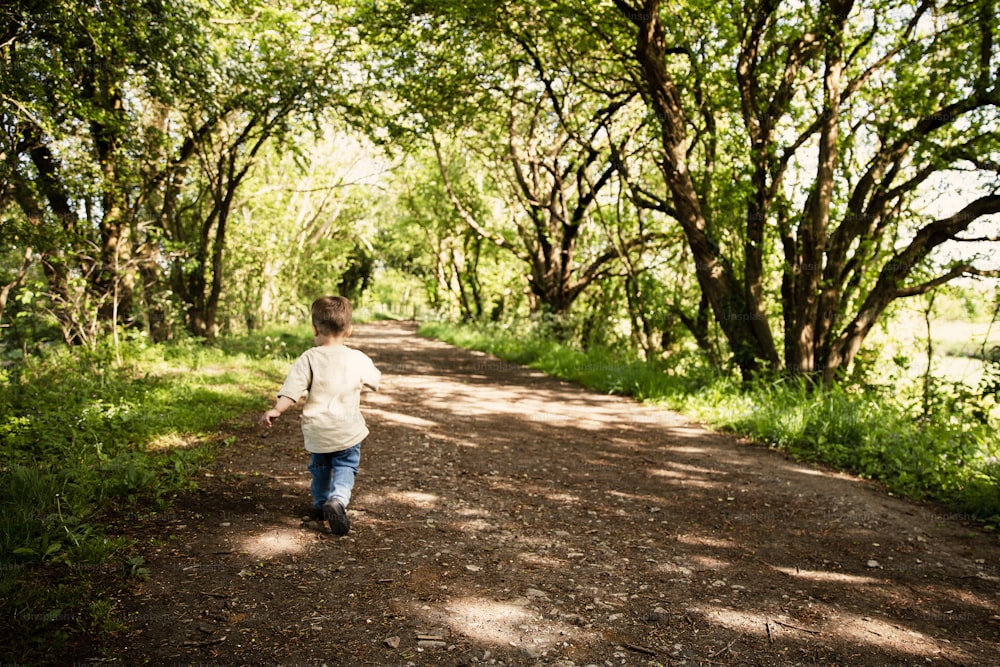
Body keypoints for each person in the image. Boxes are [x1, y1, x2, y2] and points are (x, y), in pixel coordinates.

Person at [261, 296, 381, 536]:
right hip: (347, 430)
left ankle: (320, 504)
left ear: (314, 329)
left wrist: (276, 410)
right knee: (346, 465)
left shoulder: (309, 358)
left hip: (318, 430)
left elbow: (292, 390)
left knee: (320, 467)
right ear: (349, 331)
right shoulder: (357, 357)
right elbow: (375, 381)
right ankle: (337, 500)